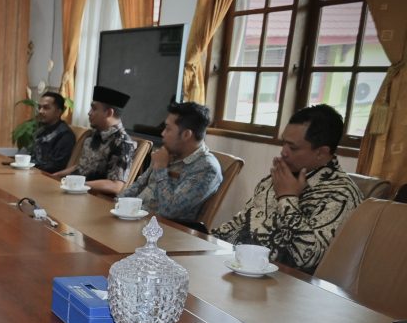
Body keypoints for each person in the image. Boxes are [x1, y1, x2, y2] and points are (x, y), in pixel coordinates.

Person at [211, 104, 363, 274]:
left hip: (291, 286)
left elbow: (307, 259)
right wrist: (209, 241)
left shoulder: (341, 194)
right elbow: (242, 223)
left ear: (321, 152)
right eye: (284, 143)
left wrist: (288, 197)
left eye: (293, 147)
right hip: (244, 269)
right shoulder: (281, 176)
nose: (283, 152)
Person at [119, 101, 222, 223]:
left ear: (186, 135)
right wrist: (117, 203)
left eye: (168, 129)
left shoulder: (206, 168)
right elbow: (138, 186)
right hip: (134, 219)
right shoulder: (169, 153)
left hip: (163, 232)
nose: (162, 133)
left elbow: (169, 210)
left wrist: (161, 169)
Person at [54, 85, 136, 195]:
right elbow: (82, 167)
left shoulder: (122, 143)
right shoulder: (93, 135)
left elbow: (116, 185)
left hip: (95, 199)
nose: (89, 112)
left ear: (109, 113)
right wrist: (56, 176)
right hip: (75, 192)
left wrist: (77, 185)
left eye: (94, 108)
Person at [30, 91, 75, 173]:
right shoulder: (41, 131)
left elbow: (56, 166)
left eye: (46, 108)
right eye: (39, 107)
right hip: (33, 173)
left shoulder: (65, 136)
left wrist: (30, 167)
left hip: (49, 179)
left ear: (58, 112)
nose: (40, 111)